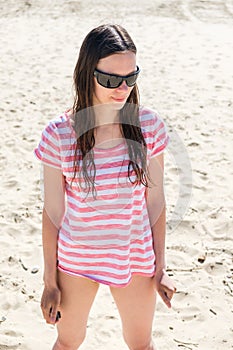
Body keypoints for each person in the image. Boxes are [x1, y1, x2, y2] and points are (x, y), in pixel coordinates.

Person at [34, 24, 176, 350]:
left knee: (140, 343)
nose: (122, 88)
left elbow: (156, 202)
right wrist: (50, 280)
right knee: (69, 341)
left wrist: (161, 267)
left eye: (131, 77)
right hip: (77, 259)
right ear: (87, 73)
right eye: (111, 80)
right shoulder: (60, 135)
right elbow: (53, 212)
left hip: (134, 255)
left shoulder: (149, 126)